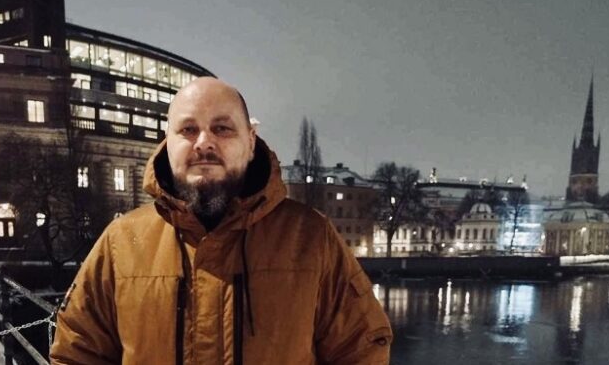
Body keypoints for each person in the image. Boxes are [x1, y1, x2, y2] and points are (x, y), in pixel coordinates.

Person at [50, 77, 392, 364]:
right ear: (167, 143)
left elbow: (361, 350)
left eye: (222, 128)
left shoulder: (311, 238)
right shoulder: (121, 242)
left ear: (251, 141)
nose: (204, 143)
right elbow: (77, 353)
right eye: (188, 129)